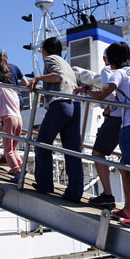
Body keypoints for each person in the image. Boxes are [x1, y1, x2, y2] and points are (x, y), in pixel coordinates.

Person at [92, 42, 130, 229]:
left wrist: (87, 91)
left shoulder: (119, 73)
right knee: (124, 166)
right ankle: (128, 210)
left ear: (114, 59)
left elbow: (104, 94)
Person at [29, 37, 83, 202]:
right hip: (75, 105)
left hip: (60, 105)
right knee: (72, 151)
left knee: (42, 144)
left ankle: (45, 184)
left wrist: (38, 79)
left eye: (41, 50)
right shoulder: (66, 62)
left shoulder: (50, 59)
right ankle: (75, 192)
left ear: (46, 50)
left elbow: (57, 77)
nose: (41, 54)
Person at [78, 46, 130, 209]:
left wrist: (87, 90)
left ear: (108, 59)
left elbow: (107, 96)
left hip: (116, 118)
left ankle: (108, 195)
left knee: (97, 153)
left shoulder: (109, 72)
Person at [0, 48, 28, 165]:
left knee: (5, 129)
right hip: (18, 99)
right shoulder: (15, 67)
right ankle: (9, 156)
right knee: (11, 128)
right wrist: (15, 83)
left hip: (7, 102)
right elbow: (25, 83)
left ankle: (8, 156)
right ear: (7, 57)